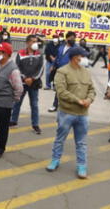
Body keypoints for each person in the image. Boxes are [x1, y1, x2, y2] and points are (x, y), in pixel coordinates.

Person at [45, 47, 95, 178]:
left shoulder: (86, 72)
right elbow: (61, 91)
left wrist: (89, 100)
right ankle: (55, 160)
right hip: (67, 113)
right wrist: (78, 100)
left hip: (83, 114)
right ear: (75, 57)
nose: (84, 59)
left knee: (82, 142)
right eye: (82, 56)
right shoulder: (62, 71)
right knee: (60, 139)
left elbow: (92, 89)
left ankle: (82, 165)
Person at [11, 35, 44, 134]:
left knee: (34, 104)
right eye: (33, 41)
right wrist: (24, 77)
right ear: (27, 42)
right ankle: (13, 121)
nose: (35, 43)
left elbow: (41, 69)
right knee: (17, 102)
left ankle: (35, 125)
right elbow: (16, 67)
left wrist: (33, 78)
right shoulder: (20, 53)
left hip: (34, 84)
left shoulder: (39, 54)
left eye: (36, 41)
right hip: (22, 83)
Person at [48, 31, 77, 112]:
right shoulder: (61, 46)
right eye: (71, 39)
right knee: (58, 89)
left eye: (74, 39)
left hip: (70, 72)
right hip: (60, 70)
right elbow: (57, 57)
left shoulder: (75, 48)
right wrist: (53, 65)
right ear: (67, 39)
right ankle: (55, 105)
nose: (73, 40)